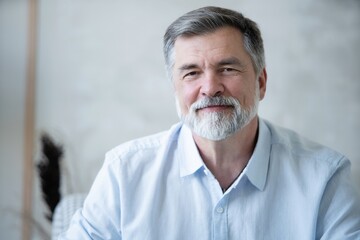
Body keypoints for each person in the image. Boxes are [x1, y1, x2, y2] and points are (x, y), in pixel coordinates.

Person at [60, 6, 360, 239]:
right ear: (175, 88)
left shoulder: (325, 178)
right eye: (191, 73)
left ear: (261, 82)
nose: (210, 87)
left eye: (227, 69)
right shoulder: (124, 172)